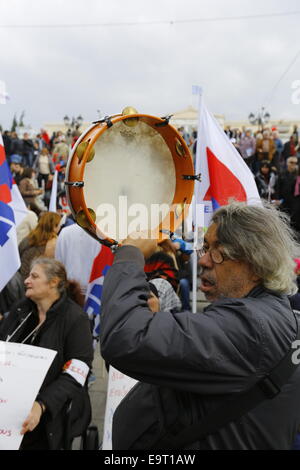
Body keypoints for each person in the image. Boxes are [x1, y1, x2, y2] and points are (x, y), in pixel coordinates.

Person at [100, 202, 300, 450]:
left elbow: (124, 336)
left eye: (219, 251)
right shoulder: (266, 315)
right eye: (205, 247)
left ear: (256, 265)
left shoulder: (252, 327)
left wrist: (130, 255)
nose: (203, 260)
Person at [0, 258, 94, 450]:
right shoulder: (21, 309)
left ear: (53, 283)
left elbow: (77, 371)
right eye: (28, 276)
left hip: (50, 411)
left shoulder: (75, 319)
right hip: (11, 403)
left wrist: (41, 405)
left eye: (34, 276)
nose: (26, 281)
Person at [19, 211, 61, 280]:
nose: (60, 227)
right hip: (36, 280)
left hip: (21, 278)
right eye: (59, 224)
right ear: (54, 227)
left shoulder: (28, 238)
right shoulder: (54, 242)